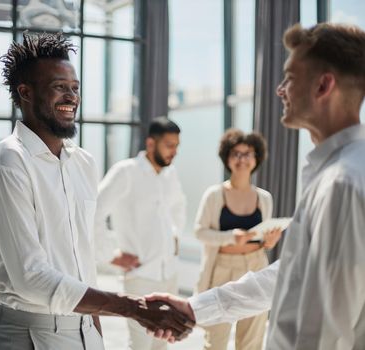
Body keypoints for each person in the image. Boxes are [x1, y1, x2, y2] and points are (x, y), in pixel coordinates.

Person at [146, 22, 365, 349]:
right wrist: (195, 308)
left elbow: (324, 331)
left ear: (323, 86)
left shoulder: (342, 183)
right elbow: (288, 276)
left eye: (290, 78)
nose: (280, 90)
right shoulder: (332, 174)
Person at [0, 32, 193, 350]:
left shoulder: (83, 163)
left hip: (83, 327)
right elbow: (31, 276)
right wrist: (133, 308)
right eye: (59, 87)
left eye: (75, 88)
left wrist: (95, 330)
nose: (72, 97)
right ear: (25, 92)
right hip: (26, 334)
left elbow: (83, 259)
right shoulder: (8, 163)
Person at [94, 116, 186, 350]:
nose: (174, 151)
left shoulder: (170, 174)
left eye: (176, 145)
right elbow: (94, 212)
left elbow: (178, 207)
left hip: (169, 273)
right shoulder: (126, 171)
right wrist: (110, 256)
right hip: (141, 274)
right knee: (140, 345)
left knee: (162, 341)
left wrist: (174, 238)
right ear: (151, 143)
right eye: (169, 145)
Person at [194, 129, 282, 350]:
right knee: (215, 340)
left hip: (256, 266)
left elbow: (263, 240)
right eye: (236, 153)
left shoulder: (264, 198)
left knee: (252, 341)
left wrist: (269, 242)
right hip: (222, 269)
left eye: (248, 153)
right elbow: (199, 232)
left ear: (256, 158)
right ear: (227, 158)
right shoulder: (214, 195)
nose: (242, 159)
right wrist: (229, 237)